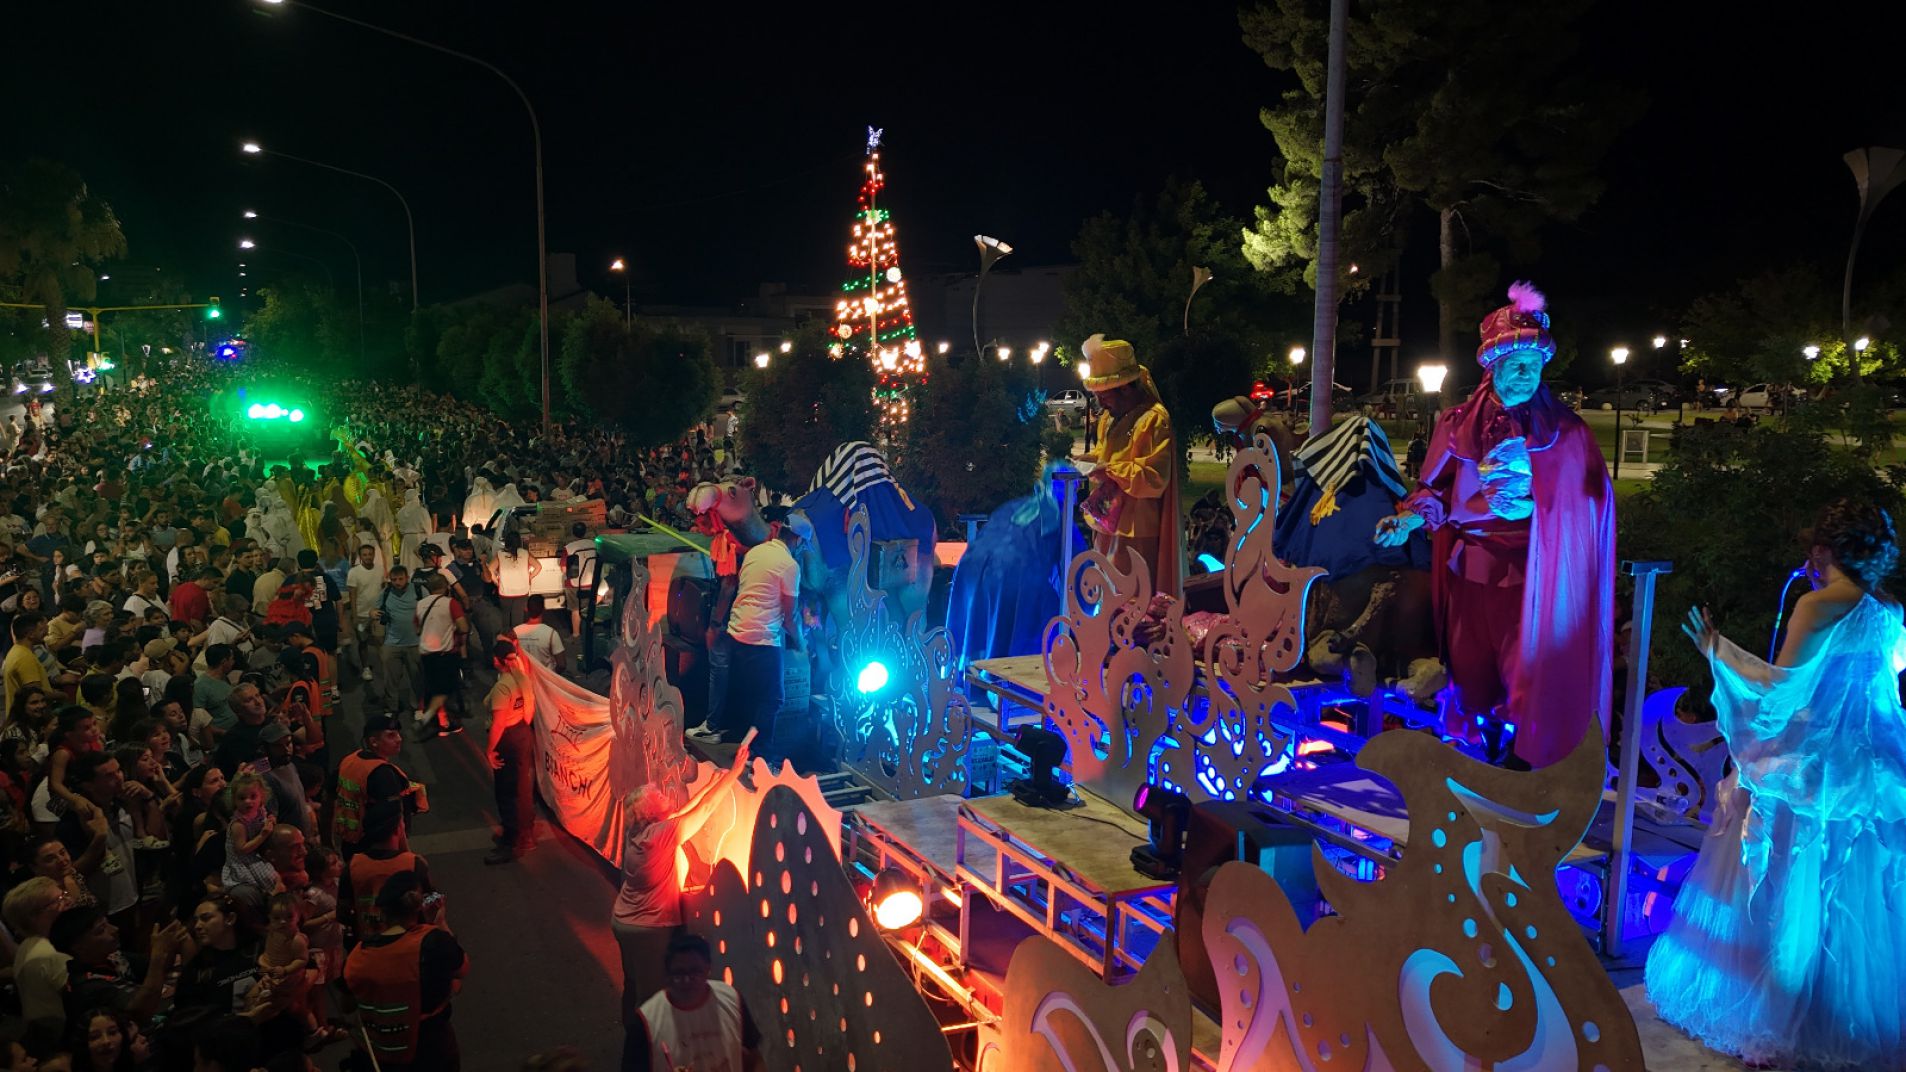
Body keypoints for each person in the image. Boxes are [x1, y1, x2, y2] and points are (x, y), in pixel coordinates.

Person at [1645, 500, 1906, 1068]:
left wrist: (1718, 651)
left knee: (1784, 890)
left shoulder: (1817, 605)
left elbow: (1783, 691)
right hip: (1871, 775)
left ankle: (1774, 1017)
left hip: (1811, 772)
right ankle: (1841, 1019)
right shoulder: (1890, 614)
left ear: (1824, 551)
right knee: (1853, 900)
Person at [1374, 282, 1614, 769]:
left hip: (1533, 576)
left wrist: (1541, 505)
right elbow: (1434, 491)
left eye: (1535, 364)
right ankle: (1484, 752)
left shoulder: (1568, 433)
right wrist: (1408, 519)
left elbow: (1591, 506)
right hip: (1471, 570)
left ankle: (1528, 764)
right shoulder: (1456, 424)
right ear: (1492, 365)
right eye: (1514, 364)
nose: (1526, 374)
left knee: (1528, 673)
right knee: (1470, 669)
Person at [614, 741, 751, 1069]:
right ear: (650, 812)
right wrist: (733, 773)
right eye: (657, 796)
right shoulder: (661, 836)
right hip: (649, 928)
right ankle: (643, 1058)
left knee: (632, 984)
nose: (664, 794)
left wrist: (716, 781)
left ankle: (631, 1039)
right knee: (652, 1000)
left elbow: (688, 810)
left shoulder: (642, 834)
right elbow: (701, 813)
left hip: (624, 922)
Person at [1078, 334, 1183, 598]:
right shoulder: (1109, 418)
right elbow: (1108, 454)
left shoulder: (1154, 420)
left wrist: (1110, 470)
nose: (1100, 404)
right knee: (1104, 600)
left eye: (1104, 396)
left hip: (1137, 531)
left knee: (1133, 607)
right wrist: (1088, 462)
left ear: (1125, 388)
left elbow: (1154, 478)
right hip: (1106, 524)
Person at [343, 870, 468, 1072]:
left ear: (382, 912)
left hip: (382, 1050)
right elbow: (462, 968)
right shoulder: (433, 941)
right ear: (417, 907)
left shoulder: (359, 954)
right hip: (432, 1046)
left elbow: (348, 1004)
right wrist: (439, 923)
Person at [626, 932, 764, 1072]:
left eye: (695, 971)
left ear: (708, 968)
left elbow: (755, 1057)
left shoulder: (732, 1000)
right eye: (679, 973)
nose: (687, 980)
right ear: (667, 974)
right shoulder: (646, 1021)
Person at [332, 715, 416, 857]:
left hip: (349, 841)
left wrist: (328, 841)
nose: (399, 739)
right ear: (374, 742)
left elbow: (329, 798)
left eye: (398, 734)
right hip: (373, 849)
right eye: (391, 735)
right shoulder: (382, 774)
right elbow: (391, 820)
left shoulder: (349, 760)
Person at [483, 641, 535, 865]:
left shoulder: (504, 686)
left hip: (508, 739)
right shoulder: (522, 679)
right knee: (522, 788)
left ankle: (511, 842)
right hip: (522, 734)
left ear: (496, 660)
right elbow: (529, 713)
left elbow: (498, 724)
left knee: (506, 791)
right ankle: (525, 834)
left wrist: (490, 750)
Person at [6, 876, 71, 1046]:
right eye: (60, 899)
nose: (69, 901)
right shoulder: (49, 956)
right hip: (61, 1037)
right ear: (35, 916)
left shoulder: (27, 945)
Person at [414, 573, 468, 740]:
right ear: (445, 587)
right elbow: (463, 626)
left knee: (434, 687)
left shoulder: (420, 604)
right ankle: (429, 718)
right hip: (445, 654)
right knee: (446, 688)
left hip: (426, 653)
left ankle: (439, 720)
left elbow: (416, 629)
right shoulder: (450, 603)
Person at [375, 564, 424, 718]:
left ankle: (418, 707)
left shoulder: (419, 590)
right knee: (391, 678)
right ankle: (391, 708)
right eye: (394, 579)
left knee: (417, 677)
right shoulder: (386, 592)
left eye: (400, 579)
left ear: (407, 578)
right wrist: (373, 613)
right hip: (392, 643)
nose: (397, 582)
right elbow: (375, 609)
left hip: (415, 642)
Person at [346, 543, 385, 684]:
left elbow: (382, 589)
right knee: (362, 641)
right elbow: (352, 595)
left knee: (380, 639)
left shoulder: (380, 570)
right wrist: (355, 615)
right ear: (361, 557)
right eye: (365, 554)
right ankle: (365, 667)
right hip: (362, 614)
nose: (368, 557)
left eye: (370, 554)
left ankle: (385, 665)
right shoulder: (354, 573)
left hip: (377, 612)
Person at [493, 529, 541, 630]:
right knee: (518, 617)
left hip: (505, 592)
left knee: (505, 617)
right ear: (519, 541)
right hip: (522, 591)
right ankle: (517, 640)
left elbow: (490, 570)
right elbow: (538, 567)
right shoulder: (525, 553)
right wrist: (529, 577)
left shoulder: (500, 554)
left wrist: (497, 582)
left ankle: (506, 639)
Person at [561, 521, 597, 642]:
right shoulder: (594, 544)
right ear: (585, 531)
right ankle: (589, 634)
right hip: (592, 582)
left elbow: (563, 568)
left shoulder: (569, 548)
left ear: (573, 533)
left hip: (574, 583)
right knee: (589, 609)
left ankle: (576, 635)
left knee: (575, 609)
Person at [511, 594, 565, 672]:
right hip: (545, 679)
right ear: (544, 609)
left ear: (526, 609)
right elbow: (561, 664)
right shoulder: (551, 633)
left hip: (523, 677)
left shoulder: (515, 632)